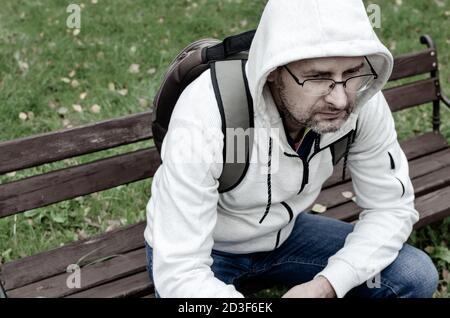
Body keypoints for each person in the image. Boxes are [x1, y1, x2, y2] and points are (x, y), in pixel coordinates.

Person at [144, 0, 439, 298]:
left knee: (413, 274)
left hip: (285, 235)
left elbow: (389, 208)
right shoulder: (209, 111)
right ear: (272, 69)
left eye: (352, 71)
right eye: (318, 77)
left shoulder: (360, 101)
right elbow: (181, 272)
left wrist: (326, 285)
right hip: (206, 247)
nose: (339, 99)